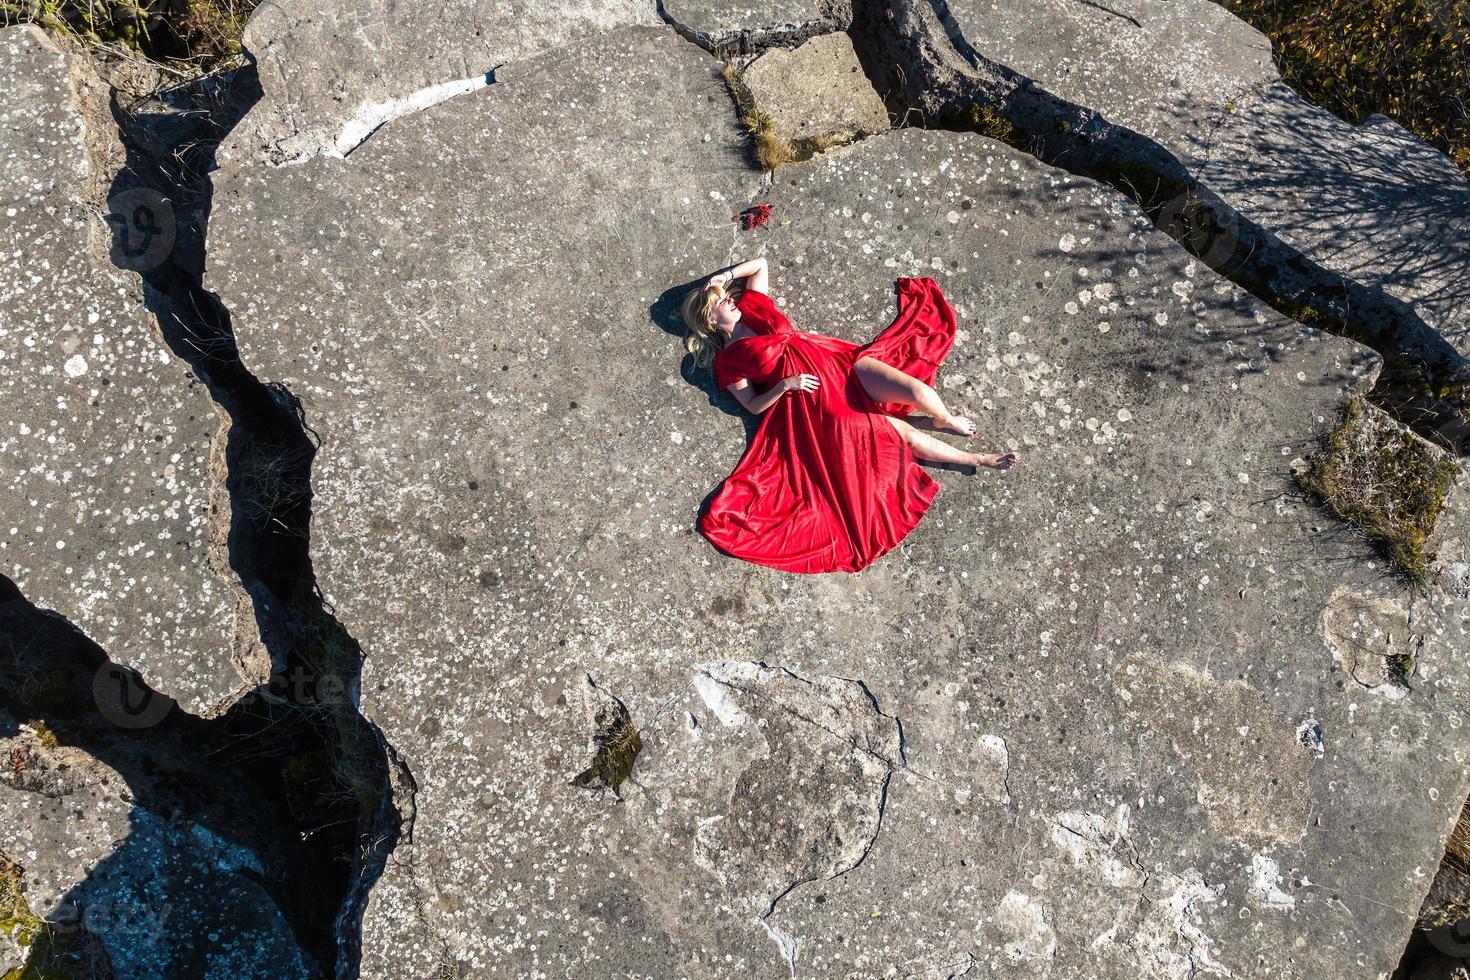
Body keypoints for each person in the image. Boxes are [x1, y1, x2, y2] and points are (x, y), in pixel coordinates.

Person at [681, 255, 1017, 574]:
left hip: (839, 364)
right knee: (898, 433)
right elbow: (753, 405)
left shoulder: (754, 307)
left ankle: (943, 418)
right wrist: (784, 385)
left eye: (725, 297)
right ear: (710, 320)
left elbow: (760, 266)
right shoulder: (729, 361)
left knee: (918, 391)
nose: (728, 300)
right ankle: (976, 458)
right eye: (719, 302)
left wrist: (721, 278)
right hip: (815, 398)